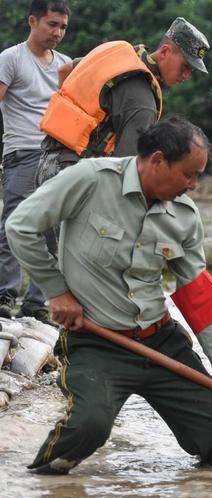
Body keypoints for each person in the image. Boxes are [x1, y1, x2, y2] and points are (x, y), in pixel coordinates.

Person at [6, 116, 212, 475]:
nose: (194, 185)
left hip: (160, 343)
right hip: (96, 343)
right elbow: (20, 226)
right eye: (189, 174)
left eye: (199, 175)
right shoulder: (89, 179)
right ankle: (46, 485)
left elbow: (198, 296)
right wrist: (56, 291)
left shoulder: (184, 215)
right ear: (156, 161)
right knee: (87, 429)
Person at [36, 16, 209, 186]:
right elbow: (125, 167)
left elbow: (64, 70)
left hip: (46, 163)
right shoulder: (144, 103)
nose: (187, 75)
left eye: (191, 70)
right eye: (185, 66)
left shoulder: (115, 52)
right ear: (165, 52)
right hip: (76, 176)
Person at [0, 0, 70, 322]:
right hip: (23, 150)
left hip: (57, 153)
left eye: (63, 27)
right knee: (14, 223)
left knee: (53, 229)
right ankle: (5, 294)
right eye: (52, 24)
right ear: (32, 21)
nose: (58, 32)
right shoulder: (11, 59)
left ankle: (36, 304)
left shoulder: (66, 65)